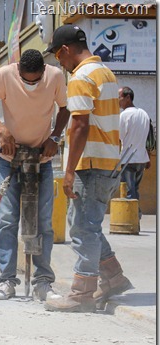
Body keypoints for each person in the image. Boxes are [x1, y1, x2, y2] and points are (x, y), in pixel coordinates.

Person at [43, 24, 133, 313]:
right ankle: (115, 278)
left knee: (83, 229)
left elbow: (79, 125)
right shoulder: (105, 72)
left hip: (91, 164)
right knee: (87, 225)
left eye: (58, 57)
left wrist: (68, 172)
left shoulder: (81, 77)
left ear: (66, 50)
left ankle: (82, 294)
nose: (60, 63)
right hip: (109, 161)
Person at [0, 49, 70, 301]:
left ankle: (43, 282)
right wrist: (1, 129)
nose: (31, 84)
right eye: (27, 80)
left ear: (42, 71)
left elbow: (64, 108)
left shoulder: (55, 76)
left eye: (36, 80)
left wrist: (54, 137)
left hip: (43, 158)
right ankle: (6, 280)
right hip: (11, 158)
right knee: (8, 220)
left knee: (43, 221)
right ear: (19, 70)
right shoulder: (5, 75)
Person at [118, 86, 152, 219]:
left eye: (120, 97)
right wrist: (148, 157)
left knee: (128, 191)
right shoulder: (144, 113)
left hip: (128, 160)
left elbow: (118, 138)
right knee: (134, 190)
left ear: (128, 97)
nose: (118, 101)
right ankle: (135, 216)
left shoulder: (124, 115)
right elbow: (149, 138)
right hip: (141, 160)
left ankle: (133, 218)